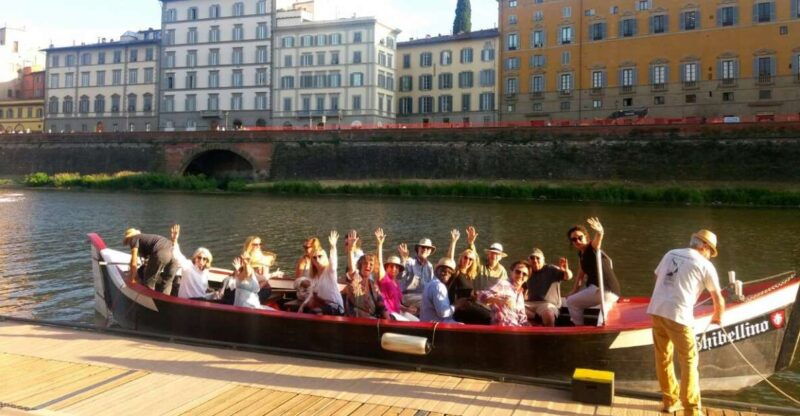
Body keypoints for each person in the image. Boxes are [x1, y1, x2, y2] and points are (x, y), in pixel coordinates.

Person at [648, 230, 725, 416]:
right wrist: (718, 318)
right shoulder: (705, 265)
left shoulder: (670, 253)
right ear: (704, 246)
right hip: (679, 316)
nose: (710, 256)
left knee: (663, 358)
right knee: (689, 361)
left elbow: (658, 278)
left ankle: (669, 401)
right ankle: (691, 410)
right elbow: (718, 299)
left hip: (657, 310)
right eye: (710, 251)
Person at [565, 217, 622, 325]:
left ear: (586, 237)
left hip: (603, 290)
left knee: (571, 302)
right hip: (606, 292)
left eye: (580, 237)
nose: (577, 241)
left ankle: (579, 329)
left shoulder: (592, 248)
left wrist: (600, 231)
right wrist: (574, 290)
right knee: (601, 321)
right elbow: (580, 274)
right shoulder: (582, 254)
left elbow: (598, 240)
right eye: (573, 239)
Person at [446, 228, 492, 324]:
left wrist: (471, 243)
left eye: (470, 259)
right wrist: (453, 242)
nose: (467, 261)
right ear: (461, 258)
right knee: (489, 317)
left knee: (492, 313)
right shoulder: (456, 272)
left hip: (469, 305)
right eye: (465, 258)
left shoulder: (469, 275)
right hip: (459, 309)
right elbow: (449, 259)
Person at [375, 228, 419, 321]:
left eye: (397, 267)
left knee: (418, 321)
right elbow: (379, 263)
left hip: (399, 312)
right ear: (386, 268)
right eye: (391, 266)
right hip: (390, 315)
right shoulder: (384, 278)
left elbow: (397, 303)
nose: (394, 269)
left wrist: (407, 309)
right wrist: (379, 245)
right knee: (412, 324)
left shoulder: (396, 283)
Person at [343, 230, 388, 319]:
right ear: (360, 265)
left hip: (376, 320)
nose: (368, 266)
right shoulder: (356, 279)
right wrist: (351, 249)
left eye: (371, 264)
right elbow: (352, 270)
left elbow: (382, 306)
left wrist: (389, 322)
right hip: (361, 321)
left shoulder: (373, 285)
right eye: (365, 264)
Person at [299, 230, 345, 315]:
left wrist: (333, 246)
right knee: (308, 309)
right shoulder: (314, 277)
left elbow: (333, 262)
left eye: (320, 256)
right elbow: (311, 295)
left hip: (336, 307)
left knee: (315, 312)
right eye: (314, 258)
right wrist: (302, 305)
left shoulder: (330, 271)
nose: (317, 259)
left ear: (325, 257)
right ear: (312, 261)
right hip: (324, 305)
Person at [123, 227, 179, 295]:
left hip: (162, 253)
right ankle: (164, 299)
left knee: (149, 281)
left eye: (127, 241)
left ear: (129, 238)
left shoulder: (133, 239)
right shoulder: (147, 238)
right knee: (167, 281)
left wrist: (132, 279)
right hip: (175, 254)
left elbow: (133, 261)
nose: (129, 244)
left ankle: (149, 297)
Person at [526, 248, 573, 326]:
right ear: (528, 260)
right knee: (512, 308)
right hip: (530, 304)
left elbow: (568, 277)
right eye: (532, 258)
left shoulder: (551, 269)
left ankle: (548, 336)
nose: (535, 260)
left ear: (543, 260)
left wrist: (566, 270)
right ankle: (534, 327)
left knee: (548, 315)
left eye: (538, 258)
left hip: (548, 304)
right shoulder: (526, 272)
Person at [476, 260, 530, 326]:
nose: (520, 275)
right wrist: (498, 300)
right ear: (511, 272)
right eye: (518, 272)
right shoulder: (503, 284)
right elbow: (481, 296)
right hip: (502, 329)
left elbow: (522, 317)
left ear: (527, 278)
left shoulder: (520, 294)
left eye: (524, 274)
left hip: (516, 328)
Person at [169, 224, 216, 300]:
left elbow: (203, 291)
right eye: (199, 257)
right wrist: (174, 240)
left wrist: (214, 294)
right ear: (195, 257)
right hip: (186, 302)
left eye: (204, 259)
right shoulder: (188, 266)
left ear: (207, 261)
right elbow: (177, 255)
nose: (201, 260)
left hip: (200, 301)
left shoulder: (205, 272)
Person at [397, 237, 436, 310]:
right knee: (429, 302)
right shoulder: (410, 262)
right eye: (423, 247)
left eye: (428, 248)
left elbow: (431, 284)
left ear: (430, 251)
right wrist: (404, 259)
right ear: (418, 249)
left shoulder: (430, 266)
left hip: (423, 296)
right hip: (408, 296)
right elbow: (400, 277)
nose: (425, 249)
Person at [466, 226, 508, 291]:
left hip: (493, 299)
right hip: (476, 297)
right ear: (488, 254)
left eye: (497, 254)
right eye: (491, 253)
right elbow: (473, 255)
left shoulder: (502, 271)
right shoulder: (480, 263)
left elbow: (504, 288)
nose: (493, 255)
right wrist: (471, 243)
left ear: (500, 257)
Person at [420, 257, 461, 323]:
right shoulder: (439, 286)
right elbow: (443, 313)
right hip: (437, 327)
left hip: (427, 324)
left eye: (450, 272)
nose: (446, 273)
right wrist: (457, 305)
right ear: (436, 271)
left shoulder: (429, 284)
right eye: (443, 270)